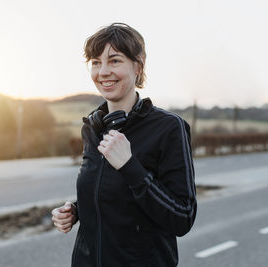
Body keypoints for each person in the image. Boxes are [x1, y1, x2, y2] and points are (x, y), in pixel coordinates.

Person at [52, 23, 197, 267]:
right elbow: (111, 194)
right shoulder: (93, 128)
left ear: (138, 67)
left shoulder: (169, 127)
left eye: (115, 60)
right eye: (96, 62)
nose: (103, 71)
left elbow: (182, 217)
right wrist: (77, 210)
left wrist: (130, 166)